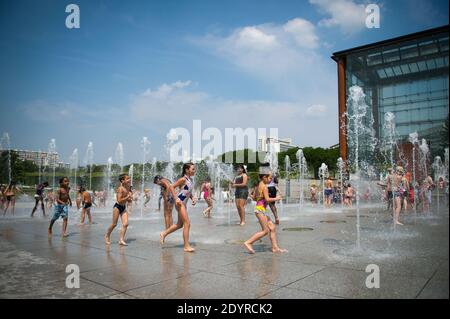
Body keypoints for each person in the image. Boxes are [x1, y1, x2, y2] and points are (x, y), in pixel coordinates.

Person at [244, 165, 287, 254]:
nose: (271, 180)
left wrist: (254, 197)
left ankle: (275, 248)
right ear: (264, 177)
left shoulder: (259, 185)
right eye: (270, 178)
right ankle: (248, 242)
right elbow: (267, 199)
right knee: (265, 231)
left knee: (272, 227)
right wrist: (277, 198)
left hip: (260, 209)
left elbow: (255, 198)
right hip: (260, 210)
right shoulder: (265, 187)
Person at [160, 163, 196, 252]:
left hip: (183, 203)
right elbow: (171, 187)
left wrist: (192, 198)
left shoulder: (189, 180)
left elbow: (187, 190)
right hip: (180, 203)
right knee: (187, 223)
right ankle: (186, 246)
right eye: (193, 169)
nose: (194, 171)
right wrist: (176, 198)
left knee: (180, 225)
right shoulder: (183, 179)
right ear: (187, 170)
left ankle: (164, 233)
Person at [105, 174, 132, 246]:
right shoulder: (120, 189)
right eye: (127, 178)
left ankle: (121, 240)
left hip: (123, 208)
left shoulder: (128, 188)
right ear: (122, 181)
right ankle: (107, 235)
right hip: (117, 207)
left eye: (129, 178)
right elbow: (119, 200)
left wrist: (130, 199)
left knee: (125, 224)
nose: (129, 179)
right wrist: (127, 197)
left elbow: (128, 200)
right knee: (114, 224)